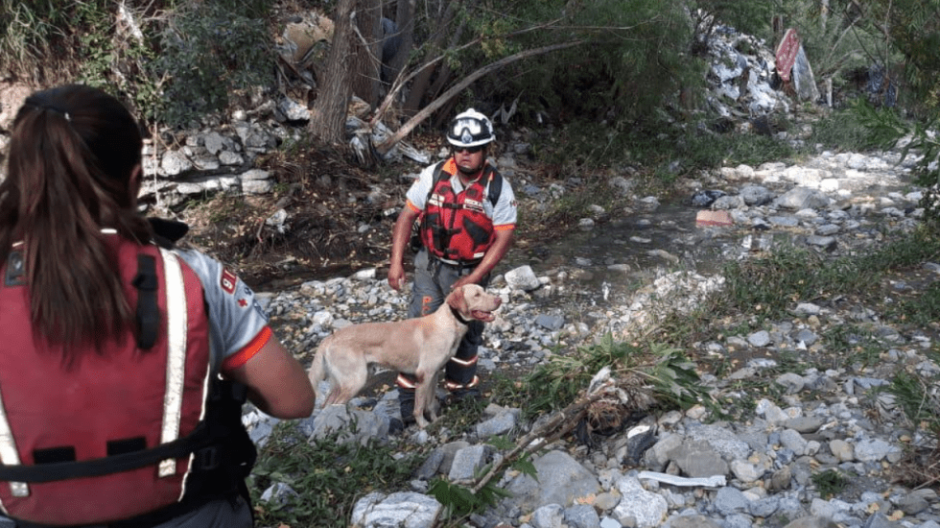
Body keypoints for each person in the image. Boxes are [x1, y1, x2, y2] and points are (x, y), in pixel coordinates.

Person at [0, 84, 315, 527]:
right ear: (134, 181)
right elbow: (294, 400)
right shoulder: (195, 276)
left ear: (18, 179)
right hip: (183, 512)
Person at [387, 108, 517, 425]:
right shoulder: (433, 176)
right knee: (420, 329)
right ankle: (410, 401)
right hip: (430, 267)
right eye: (458, 148)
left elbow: (503, 239)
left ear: (486, 149)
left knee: (467, 333)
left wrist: (474, 278)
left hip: (471, 269)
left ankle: (461, 390)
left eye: (472, 149)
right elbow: (406, 216)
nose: (464, 155)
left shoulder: (498, 188)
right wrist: (396, 262)